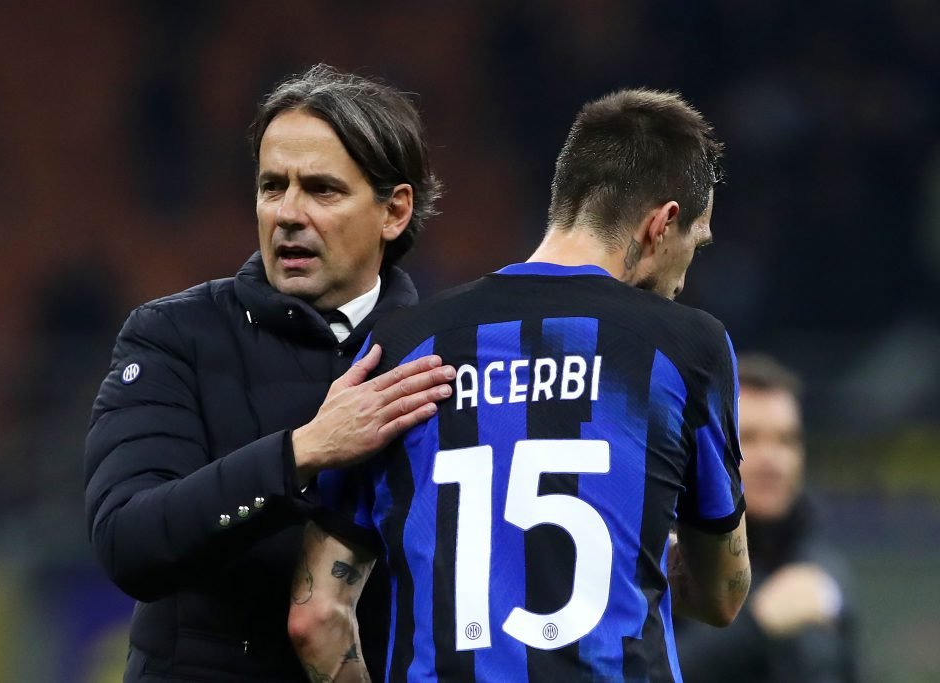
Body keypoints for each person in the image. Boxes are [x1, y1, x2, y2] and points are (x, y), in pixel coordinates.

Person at [287, 88, 751, 683]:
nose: (686, 278)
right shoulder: (688, 348)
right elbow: (723, 595)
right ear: (661, 225)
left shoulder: (404, 344)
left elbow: (316, 618)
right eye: (696, 242)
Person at [84, 64, 455, 682]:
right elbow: (129, 543)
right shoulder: (174, 337)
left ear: (394, 211)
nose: (287, 213)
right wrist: (303, 451)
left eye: (321, 190)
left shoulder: (445, 355)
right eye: (271, 186)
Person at [674, 353, 862, 683]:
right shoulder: (671, 558)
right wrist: (759, 622)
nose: (772, 460)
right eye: (749, 438)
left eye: (786, 440)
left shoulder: (824, 568)